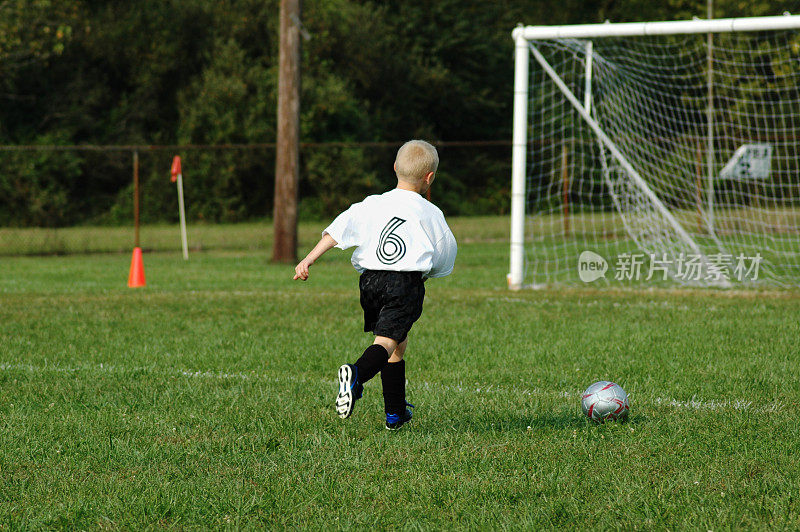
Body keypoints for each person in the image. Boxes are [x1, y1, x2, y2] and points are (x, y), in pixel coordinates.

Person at [293, 140, 457, 430]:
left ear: (395, 168)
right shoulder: (430, 212)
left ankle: (395, 413)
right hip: (403, 282)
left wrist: (308, 259)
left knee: (397, 342)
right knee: (386, 342)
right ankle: (356, 375)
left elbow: (338, 230)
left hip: (370, 281)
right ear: (429, 177)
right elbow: (445, 253)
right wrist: (429, 272)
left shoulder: (372, 203)